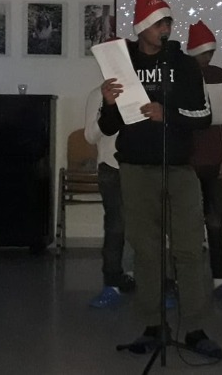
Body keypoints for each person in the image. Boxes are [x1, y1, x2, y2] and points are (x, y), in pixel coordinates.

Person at [99, 0, 222, 357]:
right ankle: (153, 325)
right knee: (146, 252)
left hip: (179, 169)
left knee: (188, 249)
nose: (165, 28)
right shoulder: (124, 65)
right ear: (141, 28)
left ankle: (195, 329)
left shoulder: (183, 64)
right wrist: (108, 103)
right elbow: (107, 127)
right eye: (158, 23)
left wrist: (166, 114)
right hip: (135, 169)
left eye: (168, 22)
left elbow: (203, 116)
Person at [186, 20, 222, 301]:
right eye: (204, 52)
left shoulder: (218, 75)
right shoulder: (181, 73)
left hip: (214, 158)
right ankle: (186, 280)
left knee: (216, 221)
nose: (208, 58)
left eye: (211, 53)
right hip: (187, 161)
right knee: (187, 224)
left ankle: (219, 279)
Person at [84, 85, 136, 308]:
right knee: (116, 225)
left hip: (142, 167)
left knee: (148, 225)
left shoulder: (143, 89)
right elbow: (90, 136)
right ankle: (111, 283)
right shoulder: (97, 94)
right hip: (111, 167)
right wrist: (108, 109)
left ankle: (138, 277)